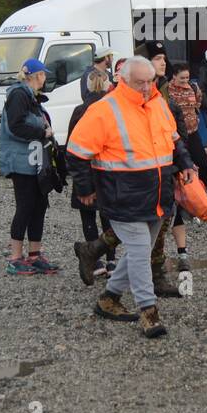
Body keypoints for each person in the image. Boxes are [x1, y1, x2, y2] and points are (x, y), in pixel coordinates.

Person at [67, 56, 197, 338]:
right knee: (139, 251)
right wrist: (86, 188)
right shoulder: (104, 110)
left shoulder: (157, 104)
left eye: (150, 81)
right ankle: (149, 313)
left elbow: (174, 140)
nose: (147, 87)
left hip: (157, 195)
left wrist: (186, 163)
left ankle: (109, 298)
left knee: (140, 252)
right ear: (123, 80)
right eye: (140, 82)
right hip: (121, 196)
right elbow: (75, 153)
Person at [0, 58, 60, 275]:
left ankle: (35, 254)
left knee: (39, 205)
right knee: (25, 207)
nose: (45, 78)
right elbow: (15, 126)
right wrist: (42, 132)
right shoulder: (18, 94)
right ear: (34, 75)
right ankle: (15, 257)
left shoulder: (31, 96)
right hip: (20, 161)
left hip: (34, 161)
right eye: (43, 74)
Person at [161, 62, 207, 274]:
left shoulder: (193, 88)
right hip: (177, 138)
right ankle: (186, 203)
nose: (185, 81)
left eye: (187, 78)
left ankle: (197, 200)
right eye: (181, 78)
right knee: (180, 176)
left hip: (193, 132)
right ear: (173, 78)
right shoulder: (166, 94)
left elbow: (199, 103)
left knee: (203, 166)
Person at [68, 67, 116, 278]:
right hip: (106, 172)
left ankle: (95, 261)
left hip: (84, 173)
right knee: (109, 218)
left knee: (88, 218)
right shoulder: (112, 108)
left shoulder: (80, 110)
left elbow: (71, 146)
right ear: (107, 85)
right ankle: (112, 260)